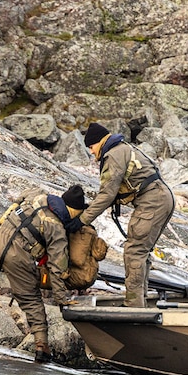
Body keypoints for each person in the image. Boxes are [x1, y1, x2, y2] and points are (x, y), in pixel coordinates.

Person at [0, 185, 88, 363]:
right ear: (74, 211)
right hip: (19, 254)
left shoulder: (37, 194)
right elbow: (57, 267)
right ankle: (42, 347)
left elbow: (21, 197)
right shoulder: (57, 227)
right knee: (31, 300)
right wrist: (61, 300)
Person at [73, 122, 175, 307]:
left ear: (99, 142)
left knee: (134, 252)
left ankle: (133, 306)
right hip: (161, 198)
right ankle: (140, 301)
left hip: (152, 202)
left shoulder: (112, 155)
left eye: (91, 147)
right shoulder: (122, 148)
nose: (91, 152)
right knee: (141, 251)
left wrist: (82, 220)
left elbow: (107, 194)